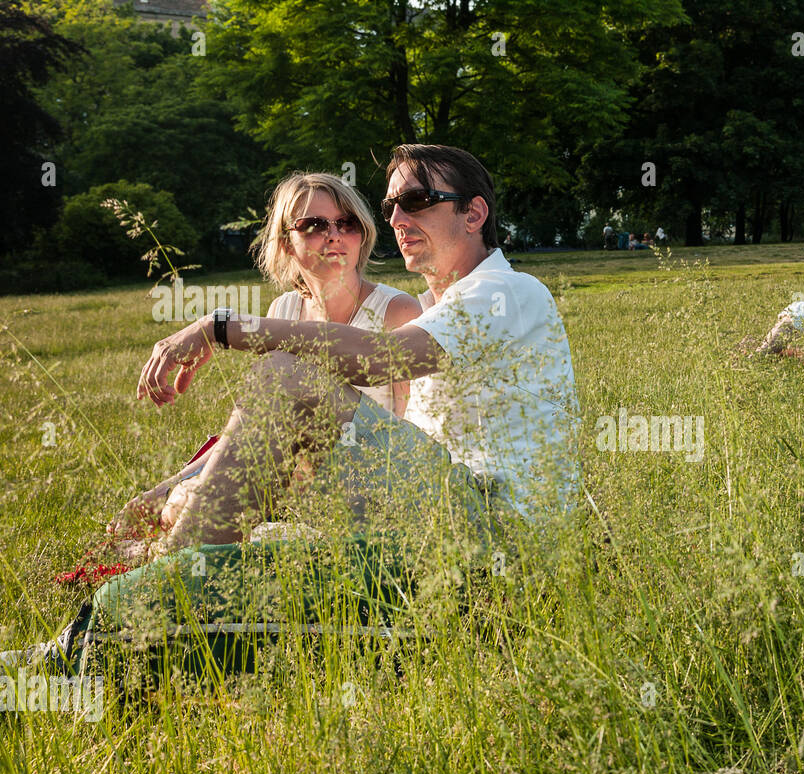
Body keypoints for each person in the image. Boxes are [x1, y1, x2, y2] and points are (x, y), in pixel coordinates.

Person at [131, 144, 580, 554]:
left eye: (418, 201)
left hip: (496, 527)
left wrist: (222, 326)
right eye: (391, 206)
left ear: (474, 214)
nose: (397, 219)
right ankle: (179, 562)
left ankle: (167, 578)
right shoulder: (435, 311)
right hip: (441, 509)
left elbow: (383, 358)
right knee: (257, 503)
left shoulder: (506, 290)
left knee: (286, 376)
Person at [109, 172, 421, 541]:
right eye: (314, 225)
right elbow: (259, 425)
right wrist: (166, 486)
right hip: (292, 478)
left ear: (363, 232)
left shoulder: (396, 311)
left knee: (204, 509)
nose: (334, 234)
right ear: (287, 242)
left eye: (347, 222)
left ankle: (165, 571)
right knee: (179, 500)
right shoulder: (284, 309)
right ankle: (179, 557)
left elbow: (406, 427)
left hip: (366, 485)